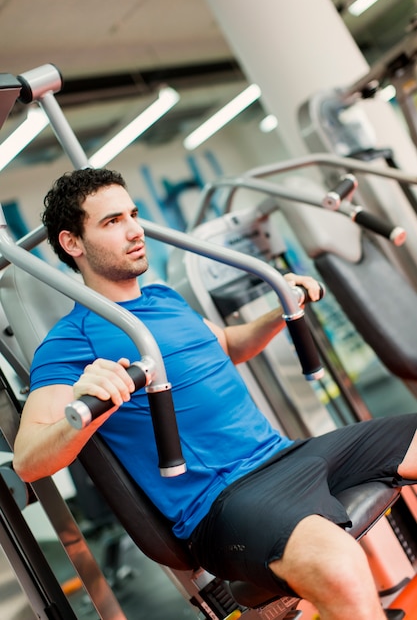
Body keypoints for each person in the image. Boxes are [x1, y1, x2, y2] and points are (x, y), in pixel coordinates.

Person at [12, 167, 417, 620]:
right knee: (341, 566)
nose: (135, 230)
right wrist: (88, 407)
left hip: (289, 455)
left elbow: (227, 345)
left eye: (133, 214)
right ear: (73, 243)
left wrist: (280, 309)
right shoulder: (70, 342)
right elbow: (29, 460)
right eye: (112, 222)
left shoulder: (164, 298)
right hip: (224, 503)